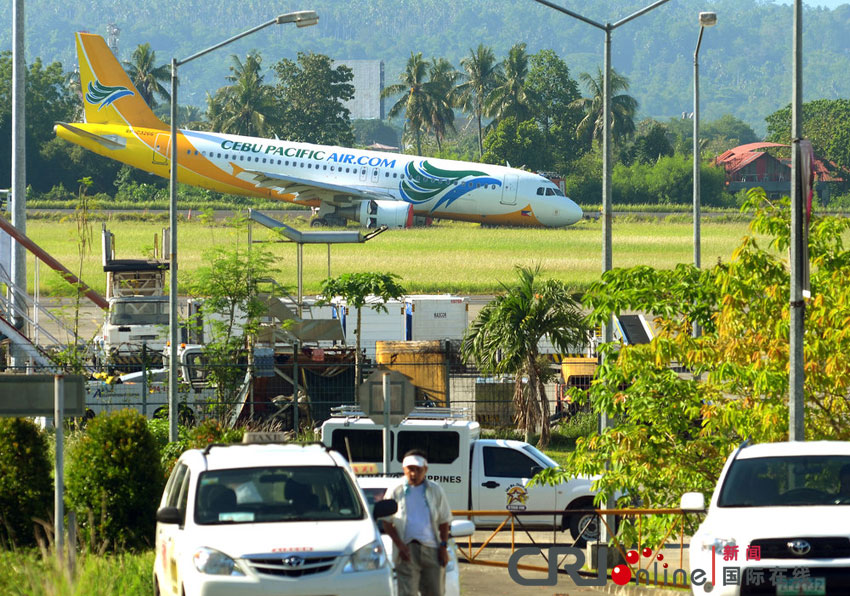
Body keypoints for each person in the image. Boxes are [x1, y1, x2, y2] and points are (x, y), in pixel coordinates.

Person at [382, 450, 452, 596]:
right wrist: (400, 545)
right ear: (404, 470)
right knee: (407, 593)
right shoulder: (396, 490)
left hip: (432, 550)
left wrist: (444, 547)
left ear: (425, 470)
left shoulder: (435, 490)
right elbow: (387, 522)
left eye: (418, 470)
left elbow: (444, 521)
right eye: (410, 469)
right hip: (407, 550)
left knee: (435, 592)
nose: (414, 474)